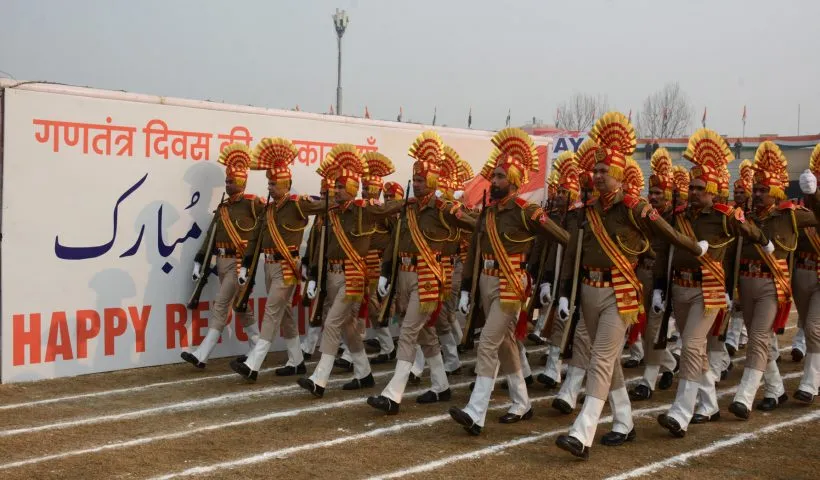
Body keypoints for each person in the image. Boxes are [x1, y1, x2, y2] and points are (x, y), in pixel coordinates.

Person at [554, 112, 708, 459]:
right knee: (609, 362)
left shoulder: (634, 207)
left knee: (601, 359)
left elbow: (667, 233)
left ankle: (583, 430)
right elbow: (574, 254)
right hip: (588, 291)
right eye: (594, 171)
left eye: (602, 171)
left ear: (620, 174)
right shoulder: (587, 209)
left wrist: (696, 248)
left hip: (620, 295)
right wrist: (564, 292)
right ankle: (624, 419)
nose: (596, 175)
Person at [447, 127, 569, 435]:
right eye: (495, 176)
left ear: (513, 180)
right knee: (504, 344)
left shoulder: (527, 211)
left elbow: (562, 238)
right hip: (486, 283)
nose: (496, 181)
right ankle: (522, 402)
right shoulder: (488, 212)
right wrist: (466, 288)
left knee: (487, 342)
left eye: (501, 177)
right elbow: (475, 250)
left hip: (510, 285)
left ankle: (476, 412)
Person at [655, 129, 769, 437]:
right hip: (680, 286)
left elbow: (749, 231)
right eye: (691, 186)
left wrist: (765, 241)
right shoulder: (680, 214)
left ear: (713, 188)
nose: (693, 192)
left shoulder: (724, 215)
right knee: (697, 351)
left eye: (699, 187)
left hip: (709, 288)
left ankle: (681, 411)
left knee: (691, 344)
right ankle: (709, 404)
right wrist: (659, 286)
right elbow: (665, 247)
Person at [367, 131, 475, 415]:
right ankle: (441, 385)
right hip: (403, 275)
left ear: (432, 181)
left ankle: (393, 394)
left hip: (428, 279)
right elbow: (394, 239)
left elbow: (473, 223)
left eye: (420, 180)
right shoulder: (408, 208)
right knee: (425, 334)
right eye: (413, 179)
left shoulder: (443, 208)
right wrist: (386, 273)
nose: (415, 184)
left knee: (408, 332)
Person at [296, 144, 402, 398]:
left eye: (342, 187)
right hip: (331, 275)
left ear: (353, 189)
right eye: (336, 186)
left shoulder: (364, 210)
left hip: (353, 277)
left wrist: (409, 201)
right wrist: (313, 276)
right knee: (348, 328)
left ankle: (319, 378)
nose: (337, 190)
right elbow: (319, 246)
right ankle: (364, 373)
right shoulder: (330, 213)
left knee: (332, 323)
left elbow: (390, 209)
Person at [729, 141, 817, 418]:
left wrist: (813, 196)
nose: (757, 194)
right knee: (762, 338)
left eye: (762, 190)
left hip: (772, 283)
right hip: (746, 280)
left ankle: (744, 396)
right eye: (755, 189)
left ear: (776, 192)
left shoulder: (790, 214)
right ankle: (775, 389)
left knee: (763, 336)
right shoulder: (747, 215)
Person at [229, 137, 313, 381]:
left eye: (274, 184)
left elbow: (324, 207)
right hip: (268, 265)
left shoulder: (297, 205)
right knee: (284, 313)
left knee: (272, 311)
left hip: (287, 266)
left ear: (286, 184)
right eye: (269, 183)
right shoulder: (268, 209)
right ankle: (296, 360)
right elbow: (254, 239)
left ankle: (254, 363)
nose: (270, 187)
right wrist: (245, 265)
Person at [182, 143, 264, 369]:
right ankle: (256, 346)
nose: (228, 185)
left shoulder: (253, 204)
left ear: (241, 182)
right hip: (221, 262)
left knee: (220, 305)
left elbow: (267, 225)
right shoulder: (223, 208)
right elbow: (210, 237)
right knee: (241, 306)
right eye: (227, 181)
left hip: (239, 263)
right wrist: (200, 259)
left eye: (231, 181)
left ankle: (202, 354)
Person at [628, 148, 679, 401]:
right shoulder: (645, 216)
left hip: (662, 279)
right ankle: (669, 363)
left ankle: (647, 382)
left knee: (654, 329)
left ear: (669, 196)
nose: (654, 197)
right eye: (652, 193)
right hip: (641, 275)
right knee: (644, 326)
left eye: (659, 193)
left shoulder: (676, 219)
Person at [792, 143, 820, 403]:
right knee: (806, 324)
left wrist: (816, 195)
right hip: (801, 272)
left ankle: (810, 383)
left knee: (813, 327)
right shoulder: (801, 209)